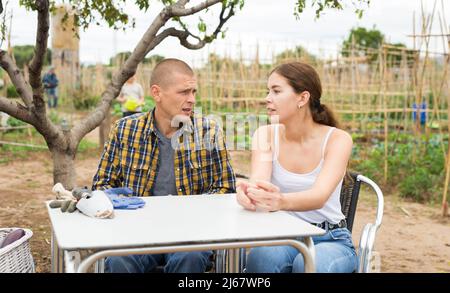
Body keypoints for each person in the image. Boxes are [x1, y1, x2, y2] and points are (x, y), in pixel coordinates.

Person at [92, 58, 236, 273]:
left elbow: (225, 187)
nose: (191, 100)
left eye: (194, 92)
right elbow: (102, 185)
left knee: (192, 256)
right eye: (184, 92)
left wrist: (190, 213)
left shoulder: (208, 131)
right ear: (157, 93)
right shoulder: (125, 130)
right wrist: (128, 210)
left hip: (190, 232)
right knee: (119, 260)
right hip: (137, 230)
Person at [236, 62, 357, 273]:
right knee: (261, 258)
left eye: (276, 91)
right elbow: (259, 183)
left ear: (302, 98)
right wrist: (249, 192)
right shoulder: (265, 135)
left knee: (308, 265)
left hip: (330, 238)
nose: (267, 98)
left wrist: (280, 201)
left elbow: (319, 196)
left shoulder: (338, 139)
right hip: (282, 235)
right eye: (268, 91)